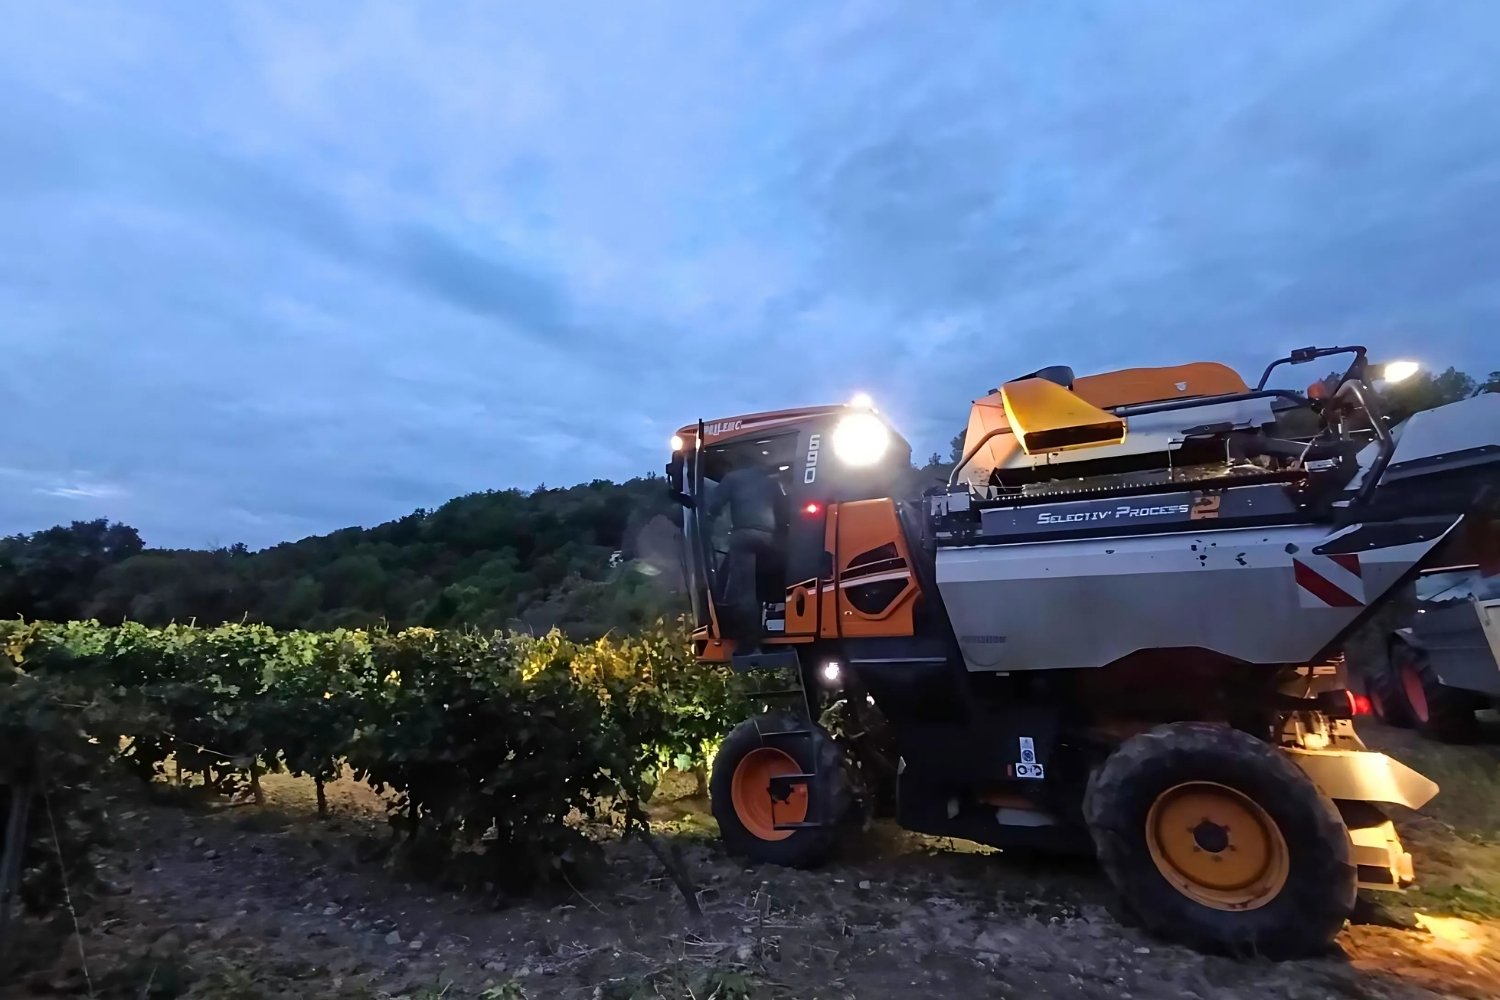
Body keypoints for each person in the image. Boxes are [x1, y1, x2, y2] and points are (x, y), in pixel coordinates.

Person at [705, 462, 783, 647]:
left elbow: (715, 507)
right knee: (767, 582)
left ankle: (749, 643)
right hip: (769, 538)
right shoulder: (770, 481)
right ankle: (776, 621)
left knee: (744, 592)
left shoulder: (732, 478)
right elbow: (783, 511)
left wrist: (707, 522)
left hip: (745, 535)